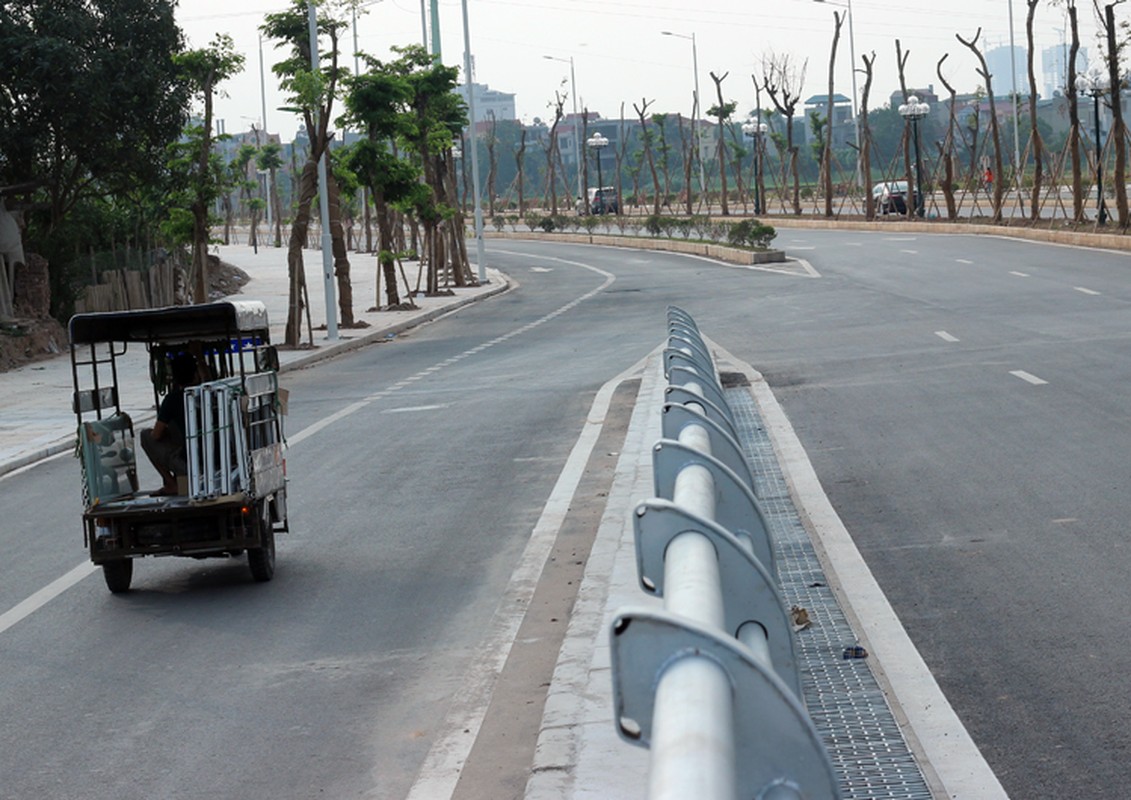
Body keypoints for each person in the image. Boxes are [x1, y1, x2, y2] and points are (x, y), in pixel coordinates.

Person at [140, 352, 198, 496]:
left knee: (145, 435)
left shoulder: (172, 399)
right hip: (214, 457)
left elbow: (156, 435)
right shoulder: (210, 393)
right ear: (195, 374)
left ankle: (172, 484)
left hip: (187, 463)